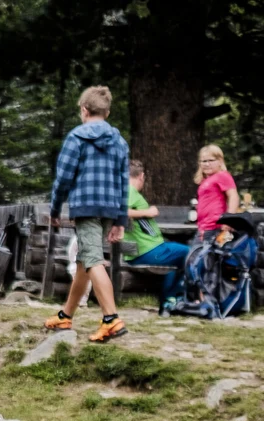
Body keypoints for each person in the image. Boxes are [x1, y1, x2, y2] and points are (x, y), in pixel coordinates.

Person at [44, 85, 130, 342]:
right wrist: (120, 219)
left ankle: (111, 319)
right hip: (109, 208)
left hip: (86, 207)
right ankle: (66, 315)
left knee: (92, 259)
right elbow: (124, 183)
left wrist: (55, 208)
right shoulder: (120, 142)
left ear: (84, 110)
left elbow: (63, 179)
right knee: (84, 261)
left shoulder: (77, 138)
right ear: (107, 111)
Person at [125, 160, 188, 297]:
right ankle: (174, 295)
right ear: (141, 176)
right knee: (191, 253)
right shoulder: (129, 191)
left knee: (175, 260)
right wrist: (147, 212)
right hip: (147, 251)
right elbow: (122, 211)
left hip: (139, 250)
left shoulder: (125, 191)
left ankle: (170, 296)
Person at [196, 145, 239, 234]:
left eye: (211, 160)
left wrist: (229, 220)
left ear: (220, 161)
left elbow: (233, 196)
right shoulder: (205, 180)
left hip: (216, 226)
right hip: (204, 227)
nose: (207, 164)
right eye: (204, 161)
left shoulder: (222, 175)